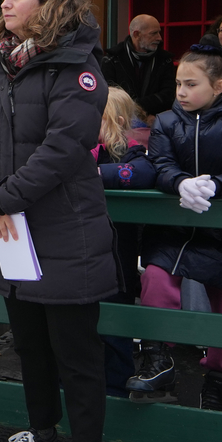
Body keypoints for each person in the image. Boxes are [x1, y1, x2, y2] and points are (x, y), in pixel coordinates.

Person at [0, 0, 118, 442]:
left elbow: (64, 149)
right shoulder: (5, 68)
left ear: (48, 0)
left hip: (66, 233)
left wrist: (1, 200)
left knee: (76, 353)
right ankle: (42, 435)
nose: (4, 5)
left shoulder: (78, 67)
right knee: (29, 343)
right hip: (13, 233)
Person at [133, 36, 222, 410]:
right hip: (175, 228)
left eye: (191, 85)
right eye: (178, 84)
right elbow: (159, 164)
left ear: (218, 86)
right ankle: (159, 360)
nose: (181, 92)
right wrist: (178, 182)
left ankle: (220, 377)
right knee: (156, 279)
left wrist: (214, 185)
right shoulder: (168, 121)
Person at [92, 87, 157, 397]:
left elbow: (143, 173)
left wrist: (95, 174)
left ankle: (117, 387)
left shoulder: (132, 150)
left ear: (116, 121)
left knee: (116, 322)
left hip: (119, 258)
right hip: (83, 254)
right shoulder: (78, 146)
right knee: (82, 324)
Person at [100, 14, 176, 118]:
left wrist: (143, 112)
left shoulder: (164, 60)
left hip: (156, 122)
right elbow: (109, 96)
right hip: (122, 121)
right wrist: (140, 114)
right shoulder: (112, 59)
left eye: (159, 32)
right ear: (136, 34)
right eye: (153, 33)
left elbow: (169, 95)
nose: (159, 38)